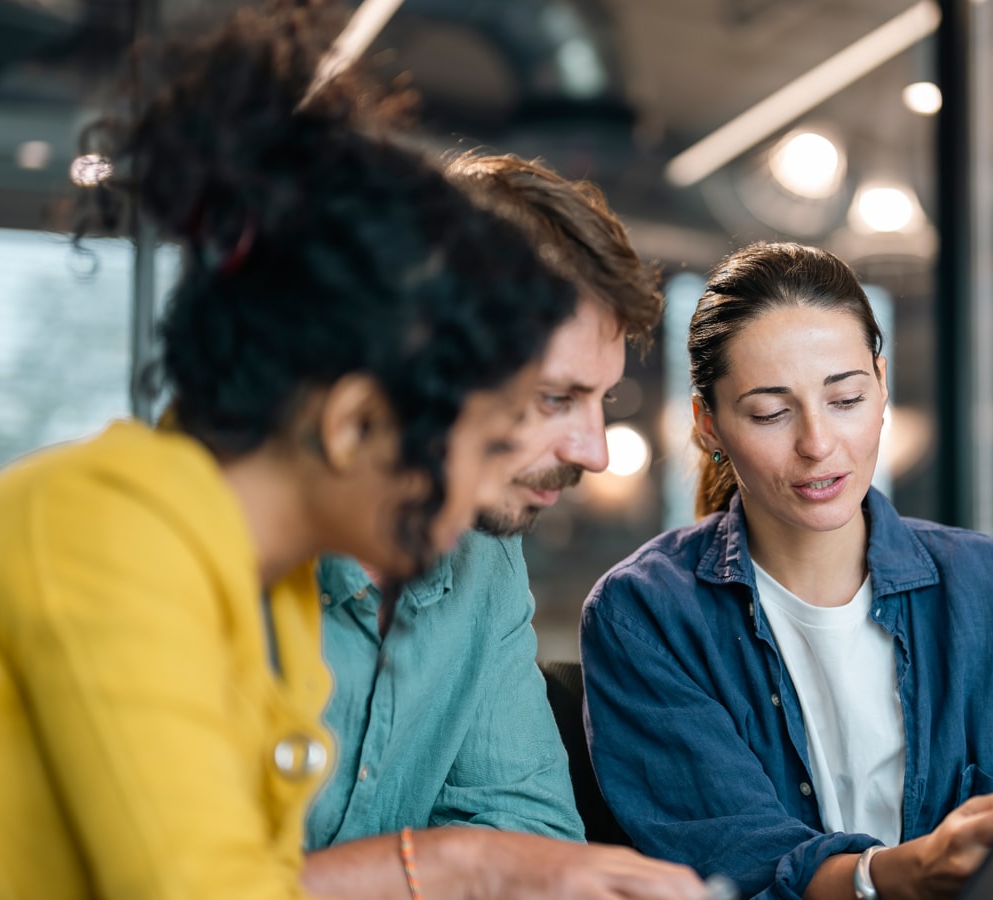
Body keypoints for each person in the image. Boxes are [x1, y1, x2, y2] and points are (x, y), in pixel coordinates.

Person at [0, 4, 577, 897]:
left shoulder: (270, 599)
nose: (484, 490)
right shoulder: (112, 533)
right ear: (352, 424)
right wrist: (464, 861)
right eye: (484, 442)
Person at [580, 242, 993, 900]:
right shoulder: (644, 615)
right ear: (708, 424)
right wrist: (898, 874)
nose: (817, 444)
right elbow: (734, 865)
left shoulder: (991, 588)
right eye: (770, 412)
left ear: (881, 386)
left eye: (845, 398)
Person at [300, 154, 706, 900]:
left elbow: (531, 839)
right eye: (557, 397)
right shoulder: (204, 553)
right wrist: (457, 867)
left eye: (603, 400)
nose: (595, 451)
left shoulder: (485, 564)